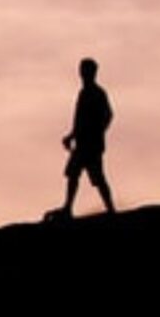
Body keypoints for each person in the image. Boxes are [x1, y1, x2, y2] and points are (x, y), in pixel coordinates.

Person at [51, 57, 117, 221]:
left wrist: (97, 132)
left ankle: (110, 209)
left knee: (97, 177)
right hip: (82, 143)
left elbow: (108, 115)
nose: (82, 73)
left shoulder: (97, 93)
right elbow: (79, 121)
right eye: (82, 70)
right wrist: (72, 136)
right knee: (73, 174)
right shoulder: (84, 93)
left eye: (85, 70)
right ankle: (68, 207)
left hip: (91, 145)